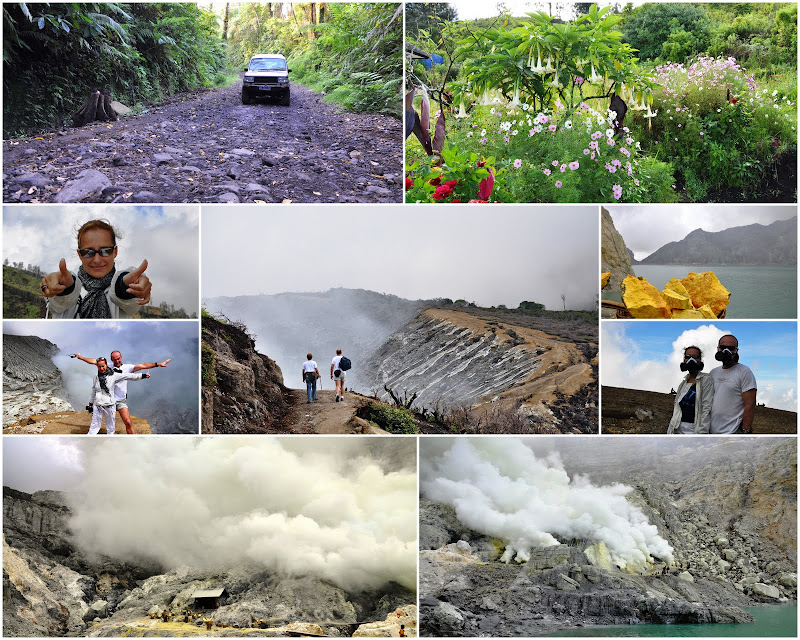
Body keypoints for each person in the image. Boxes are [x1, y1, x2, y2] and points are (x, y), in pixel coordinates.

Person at [41, 219, 151, 318]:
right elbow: (60, 302)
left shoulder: (121, 291)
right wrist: (64, 289)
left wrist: (127, 288)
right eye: (88, 252)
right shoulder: (69, 286)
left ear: (115, 252)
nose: (97, 260)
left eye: (105, 250)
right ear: (79, 254)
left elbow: (127, 300)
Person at [73, 351, 171, 434]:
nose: (117, 361)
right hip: (107, 399)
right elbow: (94, 361)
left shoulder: (128, 367)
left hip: (120, 400)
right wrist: (81, 357)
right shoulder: (107, 366)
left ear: (121, 357)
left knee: (127, 422)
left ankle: (132, 441)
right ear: (111, 360)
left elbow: (142, 365)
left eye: (118, 358)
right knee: (97, 421)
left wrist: (158, 364)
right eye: (115, 359)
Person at [88, 357, 150, 435]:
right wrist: (90, 402)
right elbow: (94, 389)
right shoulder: (96, 376)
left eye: (103, 366)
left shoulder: (113, 376)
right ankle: (89, 441)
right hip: (98, 404)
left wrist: (143, 375)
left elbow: (128, 376)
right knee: (94, 426)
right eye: (99, 366)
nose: (101, 368)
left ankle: (110, 442)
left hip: (109, 405)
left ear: (106, 365)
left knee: (110, 428)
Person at [709, 334, 757, 434]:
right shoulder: (713, 373)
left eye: (731, 348)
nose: (726, 351)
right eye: (723, 348)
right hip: (711, 430)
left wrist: (745, 430)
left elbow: (750, 404)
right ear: (718, 349)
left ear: (736, 350)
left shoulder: (744, 372)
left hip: (732, 431)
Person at [667, 346, 714, 434]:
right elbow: (677, 407)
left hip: (693, 428)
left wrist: (702, 433)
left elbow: (706, 408)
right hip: (677, 427)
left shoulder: (706, 380)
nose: (691, 360)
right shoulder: (683, 383)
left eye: (695, 357)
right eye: (688, 357)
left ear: (700, 359)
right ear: (684, 360)